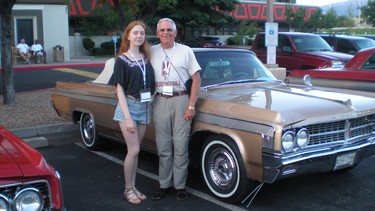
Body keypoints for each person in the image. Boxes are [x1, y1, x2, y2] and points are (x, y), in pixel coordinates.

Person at [149, 18, 201, 202]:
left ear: (175, 33)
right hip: (160, 101)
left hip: (181, 101)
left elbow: (196, 79)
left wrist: (191, 106)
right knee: (163, 147)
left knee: (180, 146)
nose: (166, 33)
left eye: (169, 30)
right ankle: (164, 185)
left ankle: (179, 186)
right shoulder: (152, 51)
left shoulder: (185, 51)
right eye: (162, 30)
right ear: (157, 33)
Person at [110, 20, 155, 205]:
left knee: (136, 151)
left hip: (145, 107)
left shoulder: (146, 58)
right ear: (128, 35)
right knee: (133, 149)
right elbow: (119, 89)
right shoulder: (122, 60)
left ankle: (134, 186)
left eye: (142, 33)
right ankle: (127, 189)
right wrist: (127, 117)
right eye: (135, 33)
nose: (138, 36)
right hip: (128, 108)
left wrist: (152, 97)